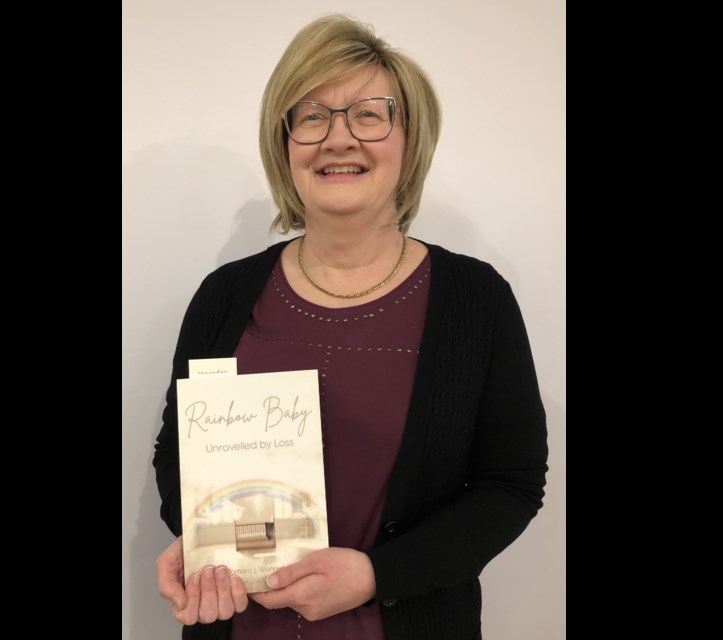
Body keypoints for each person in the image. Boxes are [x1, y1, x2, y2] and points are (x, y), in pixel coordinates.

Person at [153, 14, 547, 640]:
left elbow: (510, 486)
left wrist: (376, 575)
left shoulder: (476, 301)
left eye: (370, 113)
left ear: (409, 140)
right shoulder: (224, 296)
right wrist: (201, 541)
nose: (339, 138)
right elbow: (177, 456)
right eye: (311, 116)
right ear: (283, 144)